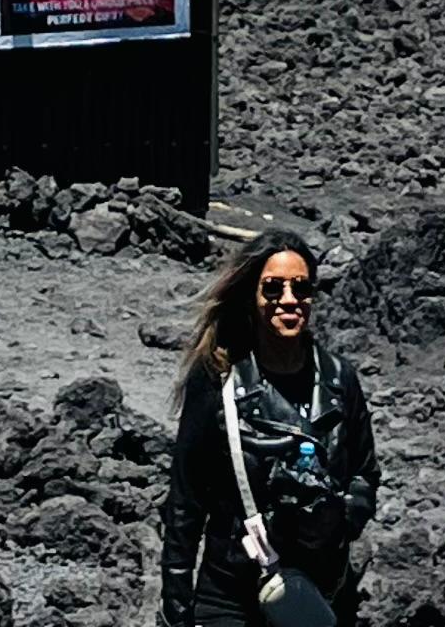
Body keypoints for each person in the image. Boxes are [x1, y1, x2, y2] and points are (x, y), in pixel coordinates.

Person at [161, 229, 380, 624]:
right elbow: (185, 500)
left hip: (318, 590)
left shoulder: (339, 380)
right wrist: (176, 605)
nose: (289, 299)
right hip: (231, 592)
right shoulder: (218, 381)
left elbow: (365, 470)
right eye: (274, 288)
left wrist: (339, 517)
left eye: (301, 287)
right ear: (252, 296)